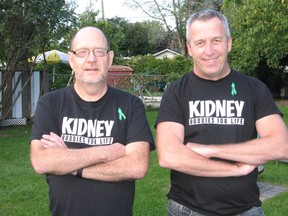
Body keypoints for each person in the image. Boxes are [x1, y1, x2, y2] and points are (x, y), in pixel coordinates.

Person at [155, 9, 288, 216]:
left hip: (246, 210)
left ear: (229, 43)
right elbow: (169, 155)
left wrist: (211, 150)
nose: (209, 50)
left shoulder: (254, 89)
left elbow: (281, 146)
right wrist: (234, 169)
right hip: (187, 210)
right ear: (190, 48)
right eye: (200, 43)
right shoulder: (176, 91)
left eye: (216, 40)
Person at [30, 26, 155, 216]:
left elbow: (137, 166)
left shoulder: (130, 104)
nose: (91, 59)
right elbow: (42, 161)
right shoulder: (51, 103)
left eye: (99, 52)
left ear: (110, 58)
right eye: (82, 52)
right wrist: (108, 152)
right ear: (72, 59)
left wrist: (70, 164)